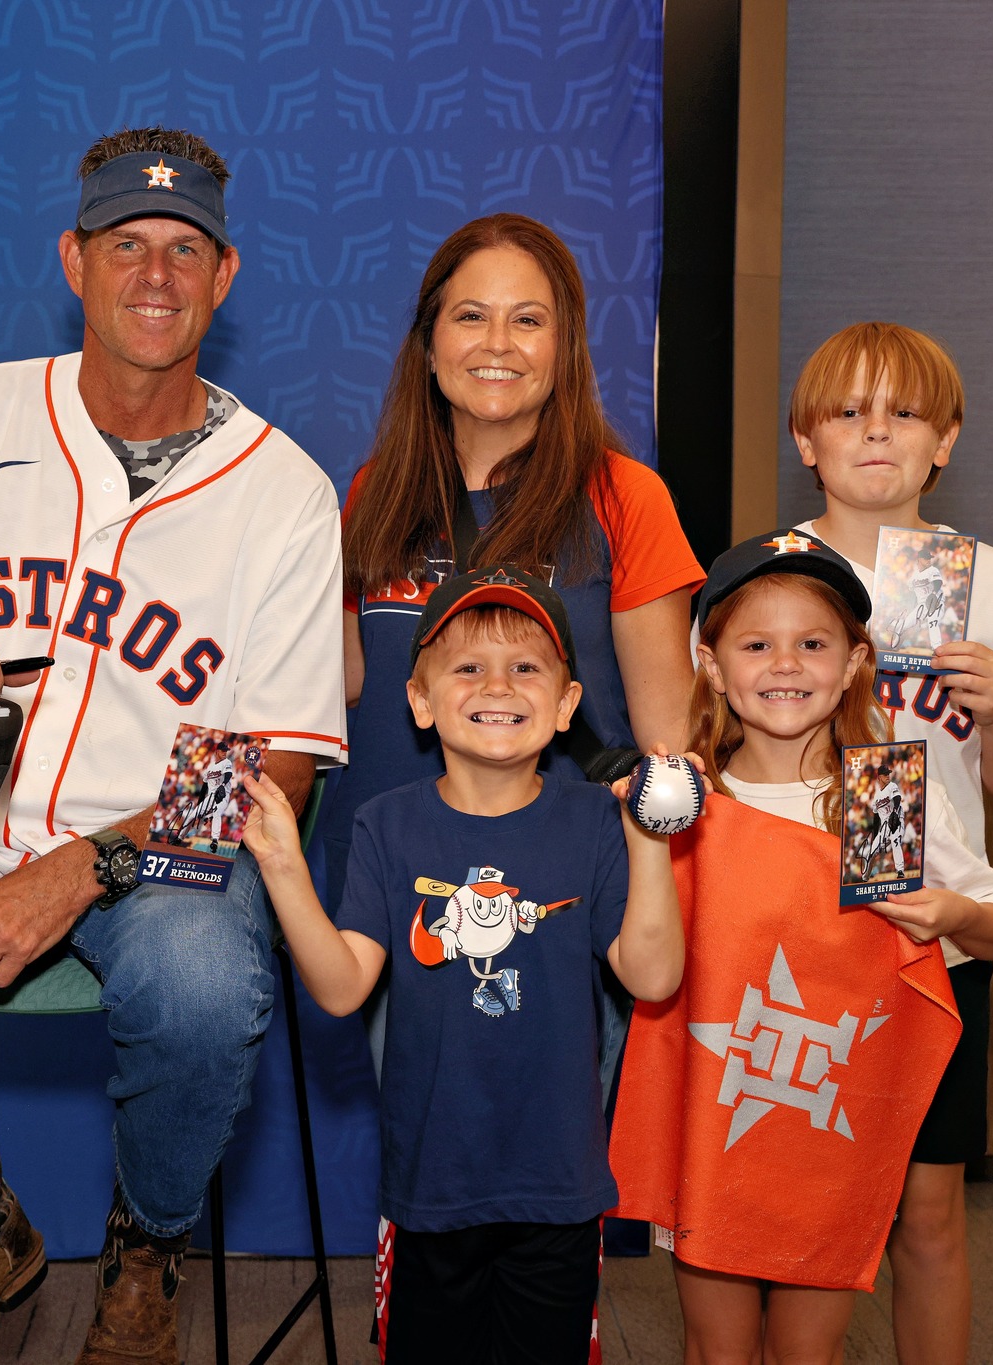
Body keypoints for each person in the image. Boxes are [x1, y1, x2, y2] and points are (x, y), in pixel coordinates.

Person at [0, 126, 347, 1365]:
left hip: (155, 858)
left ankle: (146, 1251)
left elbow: (279, 767)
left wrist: (75, 872)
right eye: (125, 243)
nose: (155, 273)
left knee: (200, 984)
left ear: (225, 275)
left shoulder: (285, 491)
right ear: (72, 260)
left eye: (184, 248)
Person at [241, 565, 691, 1365]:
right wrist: (283, 868)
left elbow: (652, 977)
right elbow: (342, 988)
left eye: (526, 667)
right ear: (420, 700)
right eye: (468, 666)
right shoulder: (386, 825)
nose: (498, 684)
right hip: (431, 1186)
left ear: (566, 705)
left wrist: (649, 841)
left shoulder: (596, 820)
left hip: (558, 1184)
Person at [610, 530, 993, 1364]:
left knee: (809, 1349)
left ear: (854, 662)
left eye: (812, 644)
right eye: (756, 645)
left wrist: (950, 913)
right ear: (710, 664)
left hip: (832, 1132)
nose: (785, 665)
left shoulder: (877, 797)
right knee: (716, 1345)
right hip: (717, 1122)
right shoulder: (688, 796)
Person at [312, 211, 706, 1082]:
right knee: (423, 1154)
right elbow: (341, 687)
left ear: (564, 348)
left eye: (528, 319)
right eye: (470, 316)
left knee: (557, 1155)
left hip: (560, 901)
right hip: (399, 894)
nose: (498, 343)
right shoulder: (375, 493)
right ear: (428, 344)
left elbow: (669, 743)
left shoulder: (624, 498)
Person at [789, 321, 993, 1361]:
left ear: (943, 442)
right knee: (801, 1201)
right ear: (804, 439)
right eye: (848, 411)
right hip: (799, 924)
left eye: (903, 413)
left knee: (928, 1213)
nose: (875, 431)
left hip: (934, 930)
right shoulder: (768, 573)